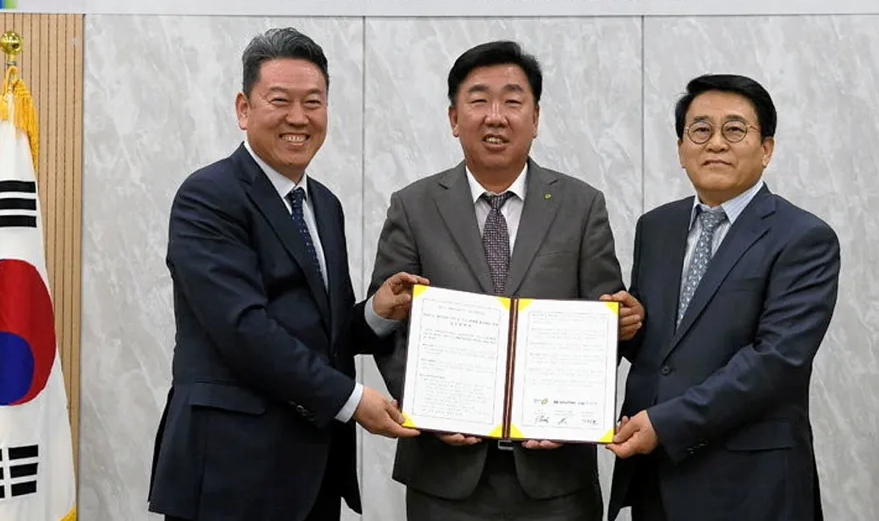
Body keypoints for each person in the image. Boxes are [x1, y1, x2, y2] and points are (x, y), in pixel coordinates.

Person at [147, 27, 423, 521]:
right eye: (280, 100)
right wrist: (352, 400)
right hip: (230, 472)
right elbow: (243, 329)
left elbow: (322, 333)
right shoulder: (208, 196)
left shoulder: (324, 204)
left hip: (313, 473)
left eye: (313, 102)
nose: (299, 117)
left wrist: (377, 312)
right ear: (243, 109)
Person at [367, 40, 643, 520]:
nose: (495, 117)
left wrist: (575, 406)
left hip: (556, 480)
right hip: (444, 477)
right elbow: (390, 327)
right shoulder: (412, 206)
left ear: (535, 118)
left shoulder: (582, 206)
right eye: (479, 100)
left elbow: (602, 324)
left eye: (512, 101)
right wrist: (429, 408)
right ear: (454, 118)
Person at [606, 73, 840, 521]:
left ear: (766, 148)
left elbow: (776, 361)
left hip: (751, 485)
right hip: (658, 477)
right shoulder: (656, 227)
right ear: (681, 149)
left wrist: (666, 423)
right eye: (700, 130)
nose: (715, 143)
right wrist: (628, 328)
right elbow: (670, 351)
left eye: (734, 129)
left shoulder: (803, 237)